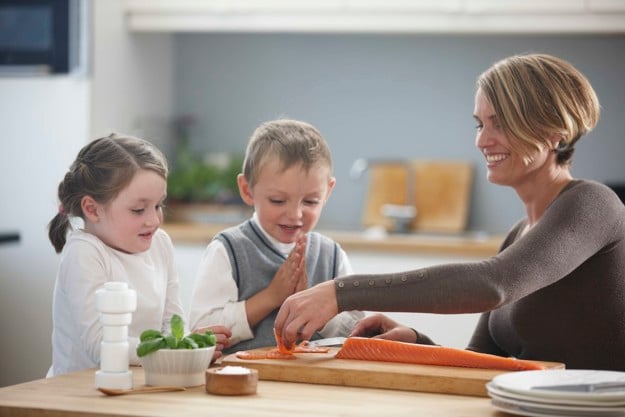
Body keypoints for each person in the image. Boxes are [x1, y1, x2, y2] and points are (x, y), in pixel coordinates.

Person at [275, 53, 625, 371]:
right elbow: (484, 359)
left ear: (553, 133)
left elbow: (493, 283)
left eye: (499, 123)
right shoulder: (520, 233)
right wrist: (415, 340)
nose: (482, 140)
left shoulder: (593, 204)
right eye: (480, 123)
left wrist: (341, 292)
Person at [47, 133, 231, 377]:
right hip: (76, 396)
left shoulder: (160, 244)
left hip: (138, 385)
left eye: (158, 205)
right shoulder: (84, 253)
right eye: (138, 210)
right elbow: (102, 346)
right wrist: (174, 348)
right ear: (92, 209)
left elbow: (172, 326)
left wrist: (189, 343)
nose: (154, 220)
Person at [189, 119, 364, 353]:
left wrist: (315, 305)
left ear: (328, 192)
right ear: (247, 190)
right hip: (246, 381)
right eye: (278, 201)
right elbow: (203, 330)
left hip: (318, 382)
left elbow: (356, 331)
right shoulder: (228, 249)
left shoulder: (331, 255)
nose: (295, 215)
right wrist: (271, 297)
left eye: (310, 201)